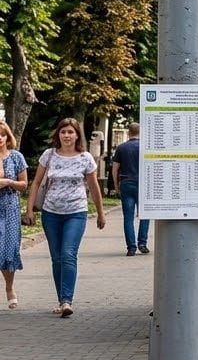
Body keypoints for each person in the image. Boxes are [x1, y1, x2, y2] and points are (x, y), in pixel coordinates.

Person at [23, 118, 105, 317]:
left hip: (76, 213)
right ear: (58, 135)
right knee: (57, 258)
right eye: (63, 132)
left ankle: (67, 300)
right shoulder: (49, 155)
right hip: (51, 213)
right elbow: (36, 183)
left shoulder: (85, 158)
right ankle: (62, 300)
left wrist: (101, 213)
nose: (67, 135)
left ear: (77, 135)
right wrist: (29, 209)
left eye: (70, 132)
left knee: (68, 254)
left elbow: (94, 187)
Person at [0, 121, 28, 309]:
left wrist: (9, 182)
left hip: (10, 208)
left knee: (9, 249)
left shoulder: (16, 157)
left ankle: (9, 287)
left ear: (7, 137)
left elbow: (24, 184)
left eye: (2, 134)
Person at [110, 122, 149, 256]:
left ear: (128, 133)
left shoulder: (121, 148)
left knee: (128, 217)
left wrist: (116, 185)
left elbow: (115, 169)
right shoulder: (146, 147)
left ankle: (131, 247)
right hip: (143, 184)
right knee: (145, 215)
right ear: (140, 132)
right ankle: (142, 243)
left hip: (126, 182)